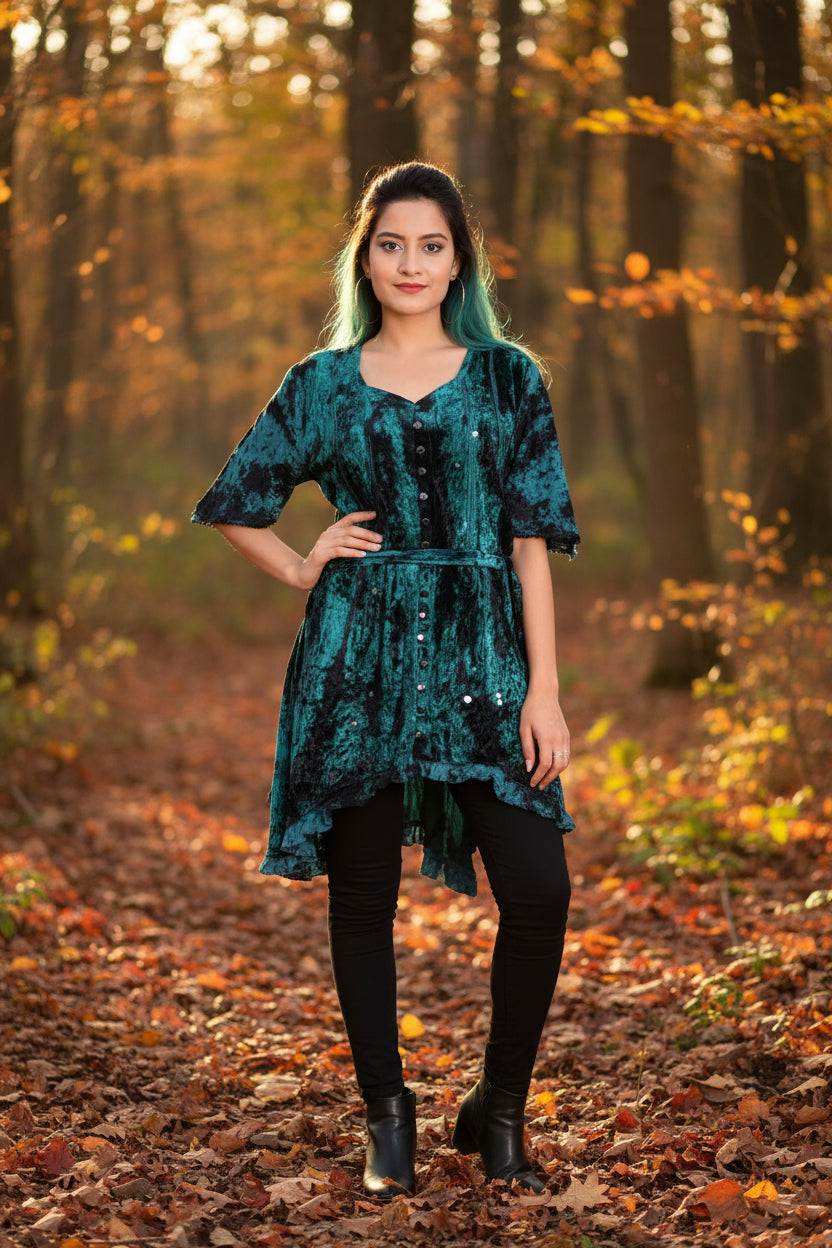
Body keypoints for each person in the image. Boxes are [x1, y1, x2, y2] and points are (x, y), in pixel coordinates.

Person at [192, 161, 579, 1199]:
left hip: (485, 661)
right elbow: (236, 500)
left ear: (461, 261)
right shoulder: (320, 384)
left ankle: (498, 1113)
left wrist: (545, 689)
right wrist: (299, 563)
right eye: (391, 244)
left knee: (539, 886)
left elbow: (533, 538)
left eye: (432, 244)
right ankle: (387, 1117)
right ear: (365, 258)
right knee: (363, 900)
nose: (411, 263)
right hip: (355, 662)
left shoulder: (507, 378)